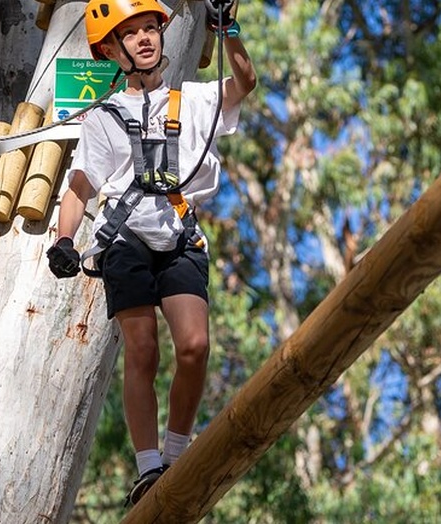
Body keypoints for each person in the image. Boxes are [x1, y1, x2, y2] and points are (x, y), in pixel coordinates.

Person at [46, 0, 255, 507]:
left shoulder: (196, 101)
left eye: (149, 29)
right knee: (142, 350)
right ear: (113, 52)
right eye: (131, 34)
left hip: (179, 235)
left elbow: (244, 81)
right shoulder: (104, 119)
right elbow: (80, 186)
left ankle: (178, 453)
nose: (144, 39)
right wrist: (64, 240)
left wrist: (225, 27)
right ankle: (147, 467)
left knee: (194, 346)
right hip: (125, 239)